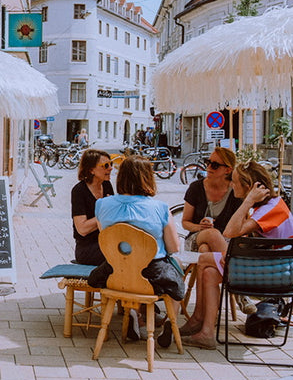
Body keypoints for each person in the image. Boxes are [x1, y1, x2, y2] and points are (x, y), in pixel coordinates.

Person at [180, 160, 293, 349]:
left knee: (204, 259)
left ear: (248, 186)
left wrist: (248, 201)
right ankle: (206, 332)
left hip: (279, 272)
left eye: (234, 181)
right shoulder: (270, 206)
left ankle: (198, 319)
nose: (231, 184)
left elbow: (229, 232)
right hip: (274, 266)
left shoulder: (269, 208)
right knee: (209, 272)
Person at [91, 156, 185, 346]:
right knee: (176, 274)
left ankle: (132, 311)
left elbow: (106, 240)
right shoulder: (160, 208)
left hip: (115, 274)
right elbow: (173, 247)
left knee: (129, 267)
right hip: (151, 275)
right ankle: (170, 323)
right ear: (147, 178)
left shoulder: (101, 204)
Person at [180, 147, 242, 252]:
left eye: (215, 165)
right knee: (212, 233)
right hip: (197, 237)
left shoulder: (235, 191)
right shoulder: (196, 188)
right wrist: (200, 227)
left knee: (204, 250)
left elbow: (242, 223)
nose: (208, 167)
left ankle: (219, 266)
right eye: (207, 162)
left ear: (228, 170)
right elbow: (185, 222)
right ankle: (228, 266)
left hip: (226, 239)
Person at [71, 149, 115, 265]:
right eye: (105, 165)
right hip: (87, 248)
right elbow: (82, 229)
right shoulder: (79, 191)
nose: (110, 168)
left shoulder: (107, 185)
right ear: (91, 170)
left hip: (107, 242)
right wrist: (106, 214)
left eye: (111, 164)